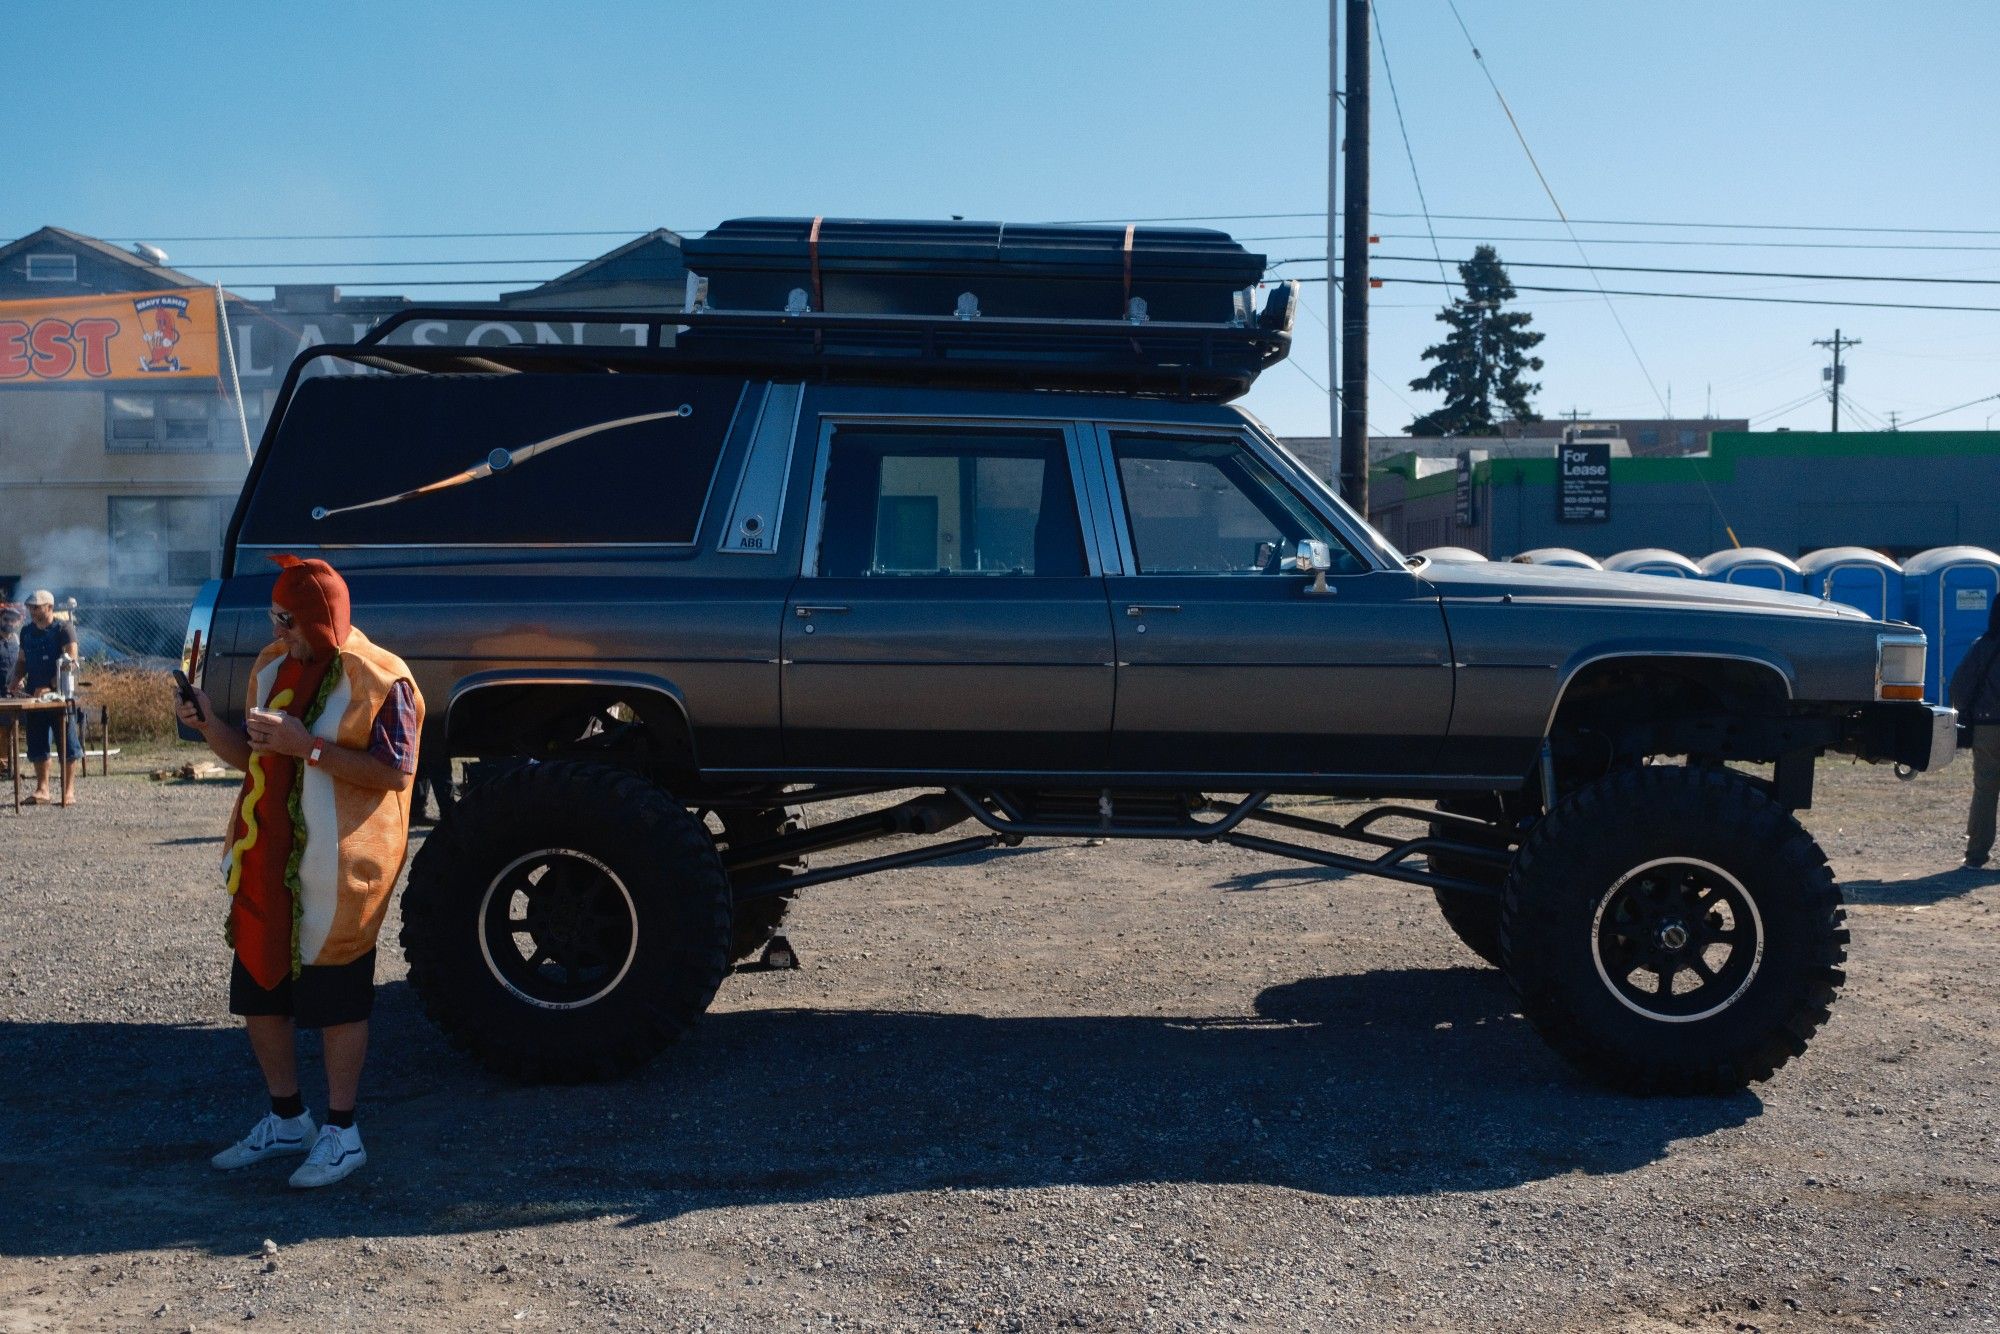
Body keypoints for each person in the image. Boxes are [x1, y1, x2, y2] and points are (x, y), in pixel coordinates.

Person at [176, 555, 425, 1188]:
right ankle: (288, 1119)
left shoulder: (382, 678)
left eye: (287, 621)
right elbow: (252, 755)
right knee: (261, 987)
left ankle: (344, 1134)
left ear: (320, 618)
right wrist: (209, 724)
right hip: (265, 861)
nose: (277, 631)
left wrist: (305, 744)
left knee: (338, 999)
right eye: (274, 619)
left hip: (338, 868)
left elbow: (396, 773)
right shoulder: (270, 667)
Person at [8, 589, 82, 805]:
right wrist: (15, 678)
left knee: (67, 743)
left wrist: (50, 687)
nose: (32, 610)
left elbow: (71, 662)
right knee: (37, 742)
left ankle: (68, 792)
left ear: (49, 607)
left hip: (60, 697)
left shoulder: (64, 629)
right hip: (34, 697)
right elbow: (22, 660)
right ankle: (43, 790)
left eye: (36, 607)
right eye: (30, 606)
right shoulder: (27, 632)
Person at [1952, 597, 2000, 870]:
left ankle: (1976, 853)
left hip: (1987, 727)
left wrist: (1966, 713)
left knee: (1986, 790)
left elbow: (1960, 685)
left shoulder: (1984, 646)